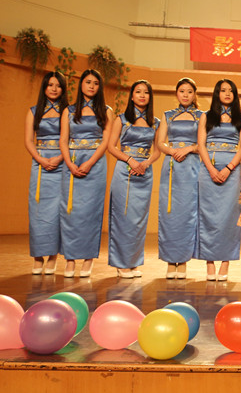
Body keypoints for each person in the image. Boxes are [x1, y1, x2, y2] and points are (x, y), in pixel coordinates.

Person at [59, 69, 113, 278]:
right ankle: (70, 259)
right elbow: (63, 140)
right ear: (81, 84)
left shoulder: (106, 111)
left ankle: (88, 259)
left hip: (95, 164)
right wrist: (69, 164)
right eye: (88, 82)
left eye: (96, 83)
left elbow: (105, 142)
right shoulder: (69, 110)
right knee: (71, 212)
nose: (91, 86)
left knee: (91, 212)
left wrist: (90, 163)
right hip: (72, 163)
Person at [107, 80, 161, 278]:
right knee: (123, 217)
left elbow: (158, 150)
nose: (142, 95)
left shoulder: (156, 122)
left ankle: (133, 262)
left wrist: (146, 163)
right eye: (138, 92)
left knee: (138, 220)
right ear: (132, 96)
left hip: (144, 173)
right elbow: (111, 146)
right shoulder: (121, 119)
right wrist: (130, 160)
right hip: (125, 171)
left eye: (146, 92)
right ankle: (121, 263)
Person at [196, 79, 241, 282]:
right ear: (217, 93)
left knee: (229, 217)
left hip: (231, 172)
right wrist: (211, 169)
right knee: (207, 216)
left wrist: (228, 168)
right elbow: (201, 145)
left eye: (230, 90)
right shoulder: (206, 116)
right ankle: (209, 262)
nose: (227, 93)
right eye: (223, 90)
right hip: (208, 171)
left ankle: (225, 262)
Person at [156, 78, 203, 279]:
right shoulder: (168, 115)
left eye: (189, 91)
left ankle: (183, 261)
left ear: (194, 94)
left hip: (191, 166)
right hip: (172, 165)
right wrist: (172, 151)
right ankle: (170, 260)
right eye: (182, 91)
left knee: (187, 213)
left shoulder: (201, 116)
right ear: (177, 93)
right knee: (169, 213)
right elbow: (160, 143)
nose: (185, 95)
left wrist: (189, 148)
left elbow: (203, 144)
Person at [24, 72, 69, 275]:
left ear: (63, 89)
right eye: (50, 85)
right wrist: (40, 159)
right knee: (38, 211)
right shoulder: (34, 111)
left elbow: (70, 139)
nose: (54, 89)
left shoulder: (68, 112)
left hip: (61, 162)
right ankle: (37, 257)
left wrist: (60, 158)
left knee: (57, 212)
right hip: (40, 164)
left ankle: (52, 257)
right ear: (44, 87)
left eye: (58, 85)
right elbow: (28, 141)